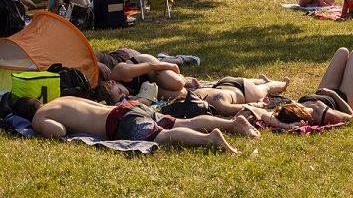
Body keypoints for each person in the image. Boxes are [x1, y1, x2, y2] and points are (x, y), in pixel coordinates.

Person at [11, 95, 259, 154]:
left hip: (119, 121)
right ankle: (232, 123)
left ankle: (210, 139)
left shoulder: (39, 116)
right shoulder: (61, 98)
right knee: (185, 121)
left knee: (160, 137)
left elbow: (59, 132)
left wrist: (38, 129)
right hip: (131, 106)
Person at [272, 48, 353, 126]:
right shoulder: (322, 114)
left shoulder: (291, 110)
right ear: (301, 114)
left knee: (342, 51)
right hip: (343, 99)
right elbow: (351, 117)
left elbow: (269, 115)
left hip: (324, 92)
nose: (300, 105)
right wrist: (333, 94)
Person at [95, 48, 200, 100]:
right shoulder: (124, 97)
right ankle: (169, 71)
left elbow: (151, 66)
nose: (124, 95)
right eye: (121, 97)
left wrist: (172, 66)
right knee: (180, 94)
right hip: (146, 84)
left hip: (146, 66)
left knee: (176, 83)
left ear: (113, 82)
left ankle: (183, 75)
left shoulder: (121, 73)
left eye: (120, 91)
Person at [193, 75, 290, 116]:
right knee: (249, 82)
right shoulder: (195, 94)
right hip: (225, 82)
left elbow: (245, 107)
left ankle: (284, 84)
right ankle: (261, 80)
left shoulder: (219, 106)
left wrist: (260, 104)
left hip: (243, 91)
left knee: (265, 88)